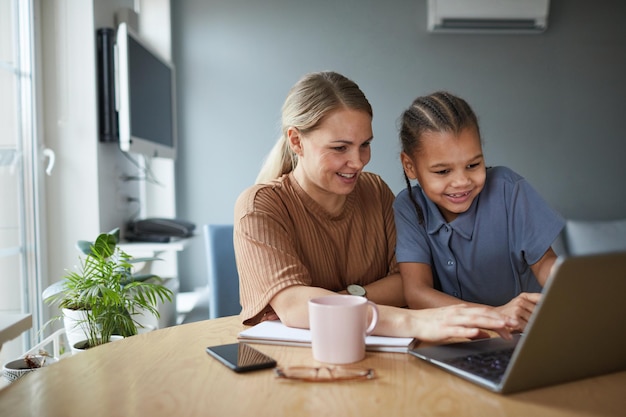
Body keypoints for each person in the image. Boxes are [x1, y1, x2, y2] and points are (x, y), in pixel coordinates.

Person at [234, 71, 517, 342]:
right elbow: (295, 306)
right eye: (340, 148)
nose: (358, 162)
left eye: (364, 145)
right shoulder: (260, 206)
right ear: (296, 141)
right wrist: (411, 321)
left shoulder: (375, 190)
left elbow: (405, 283)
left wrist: (330, 300)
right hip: (294, 367)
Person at [394, 91, 565, 332]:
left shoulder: (509, 189)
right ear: (410, 166)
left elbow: (545, 263)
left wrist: (568, 283)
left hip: (529, 333)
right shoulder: (408, 206)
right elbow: (417, 293)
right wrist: (494, 316)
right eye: (443, 171)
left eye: (473, 165)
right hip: (463, 339)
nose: (462, 182)